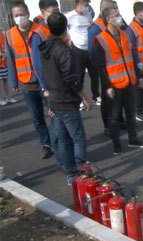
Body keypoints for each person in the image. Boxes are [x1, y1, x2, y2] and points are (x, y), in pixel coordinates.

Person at [39, 12, 91, 185]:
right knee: (78, 137)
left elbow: (45, 73)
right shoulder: (63, 50)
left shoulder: (45, 48)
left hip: (54, 98)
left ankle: (69, 173)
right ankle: (82, 170)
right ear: (65, 28)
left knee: (62, 139)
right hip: (66, 100)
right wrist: (83, 95)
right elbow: (70, 77)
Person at [94, 6, 143, 155]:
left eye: (119, 15)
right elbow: (101, 66)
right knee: (114, 117)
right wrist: (107, 86)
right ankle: (117, 144)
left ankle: (133, 139)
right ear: (108, 20)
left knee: (130, 113)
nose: (119, 17)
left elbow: (131, 58)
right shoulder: (100, 40)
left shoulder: (124, 35)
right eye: (116, 15)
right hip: (114, 86)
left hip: (129, 82)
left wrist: (139, 76)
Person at [5, 1, 53, 159]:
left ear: (28, 13)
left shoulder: (41, 31)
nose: (19, 17)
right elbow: (11, 59)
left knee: (53, 113)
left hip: (44, 82)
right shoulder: (9, 34)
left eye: (21, 14)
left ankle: (57, 140)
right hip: (26, 83)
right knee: (36, 117)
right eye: (16, 15)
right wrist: (13, 81)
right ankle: (45, 144)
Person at [88, 0, 123, 137]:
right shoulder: (95, 27)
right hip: (105, 69)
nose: (117, 12)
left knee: (119, 96)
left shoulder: (118, 25)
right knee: (107, 98)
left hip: (119, 68)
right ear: (106, 11)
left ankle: (120, 120)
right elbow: (92, 50)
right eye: (114, 9)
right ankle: (107, 125)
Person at [66, 0, 101, 107]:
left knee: (94, 74)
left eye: (87, 4)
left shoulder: (88, 14)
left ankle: (96, 96)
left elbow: (91, 27)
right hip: (78, 49)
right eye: (85, 4)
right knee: (79, 75)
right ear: (78, 3)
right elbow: (64, 29)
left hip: (89, 48)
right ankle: (79, 98)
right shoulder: (69, 16)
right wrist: (68, 39)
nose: (87, 6)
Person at [0, 30, 18, 106]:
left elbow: (4, 45)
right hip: (1, 59)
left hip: (4, 60)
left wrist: (4, 54)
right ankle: (1, 98)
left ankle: (8, 97)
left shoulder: (1, 33)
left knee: (5, 80)